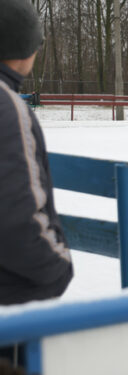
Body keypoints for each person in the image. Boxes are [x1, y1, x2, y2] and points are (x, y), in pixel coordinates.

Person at [0, 0, 73, 305]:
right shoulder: (8, 107)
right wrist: (59, 268)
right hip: (13, 296)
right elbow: (16, 217)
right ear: (26, 48)